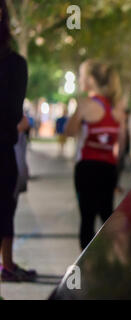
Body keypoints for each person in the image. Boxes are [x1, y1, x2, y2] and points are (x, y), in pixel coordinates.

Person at [65, 60, 126, 250]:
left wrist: (76, 113)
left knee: (87, 219)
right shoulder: (116, 107)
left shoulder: (84, 105)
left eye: (81, 76)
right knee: (107, 215)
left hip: (86, 168)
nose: (79, 79)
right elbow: (122, 144)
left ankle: (86, 268)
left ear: (90, 80)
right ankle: (113, 258)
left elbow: (68, 131)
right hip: (108, 168)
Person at [0, 0, 36, 282]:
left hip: (3, 151)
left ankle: (8, 266)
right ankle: (7, 266)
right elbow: (13, 114)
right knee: (4, 210)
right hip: (3, 152)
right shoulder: (15, 65)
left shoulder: (14, 64)